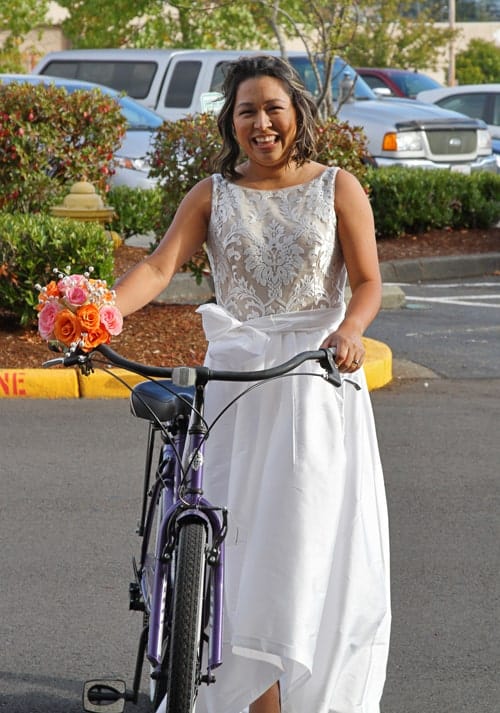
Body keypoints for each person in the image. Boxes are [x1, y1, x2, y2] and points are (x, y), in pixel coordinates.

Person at [114, 54, 391, 713]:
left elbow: (369, 281)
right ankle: (252, 694)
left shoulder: (338, 186)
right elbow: (157, 268)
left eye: (273, 108)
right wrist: (97, 310)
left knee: (302, 542)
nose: (261, 122)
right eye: (247, 111)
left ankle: (304, 688)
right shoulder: (213, 193)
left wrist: (350, 329)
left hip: (314, 379)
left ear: (298, 114)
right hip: (235, 378)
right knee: (232, 549)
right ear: (229, 122)